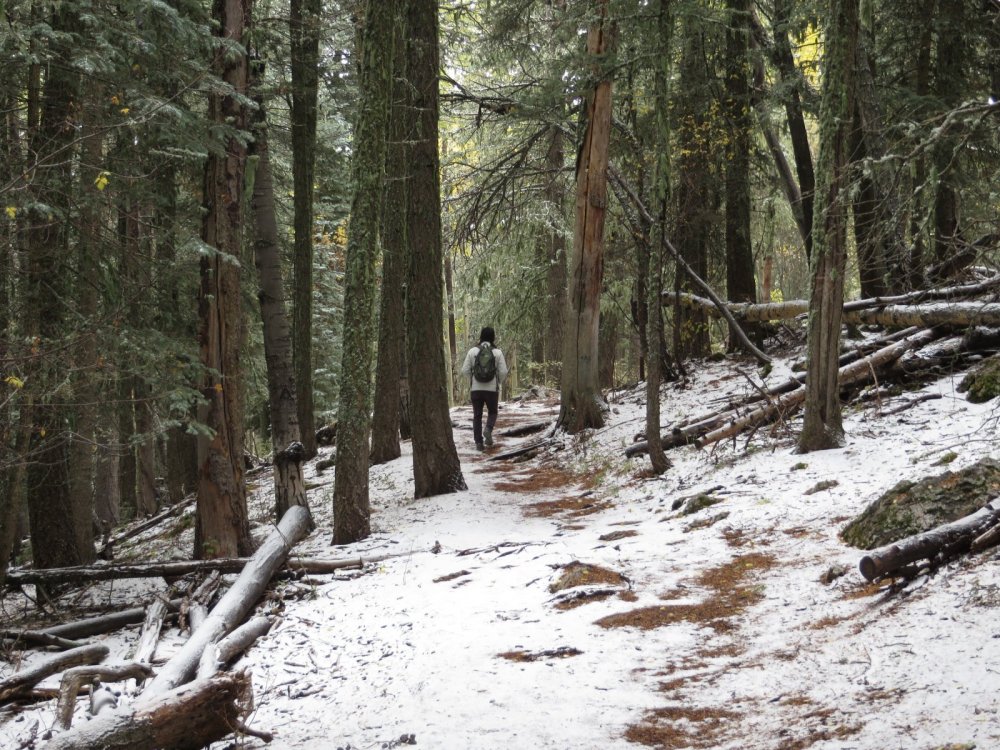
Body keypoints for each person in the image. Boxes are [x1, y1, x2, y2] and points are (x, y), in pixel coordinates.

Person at [460, 326, 509, 451]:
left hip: (476, 389)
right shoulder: (497, 352)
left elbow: (465, 370)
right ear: (493, 337)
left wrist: (472, 379)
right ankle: (488, 429)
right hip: (491, 389)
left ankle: (479, 443)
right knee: (492, 412)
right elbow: (503, 371)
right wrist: (498, 381)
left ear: (481, 336)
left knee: (477, 415)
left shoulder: (472, 351)